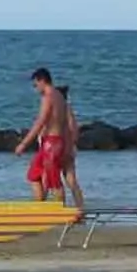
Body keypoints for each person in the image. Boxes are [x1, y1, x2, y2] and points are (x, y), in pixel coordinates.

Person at [15, 67, 70, 201]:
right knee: (34, 175)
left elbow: (40, 121)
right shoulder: (60, 96)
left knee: (54, 180)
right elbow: (64, 123)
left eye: (36, 85)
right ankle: (39, 205)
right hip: (56, 141)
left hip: (51, 143)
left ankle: (61, 211)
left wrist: (24, 144)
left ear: (42, 81)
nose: (36, 89)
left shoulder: (48, 97)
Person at [56, 84, 86, 213]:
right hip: (69, 148)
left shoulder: (59, 109)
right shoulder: (68, 108)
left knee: (55, 181)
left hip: (59, 148)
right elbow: (74, 130)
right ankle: (80, 209)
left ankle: (60, 209)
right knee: (71, 180)